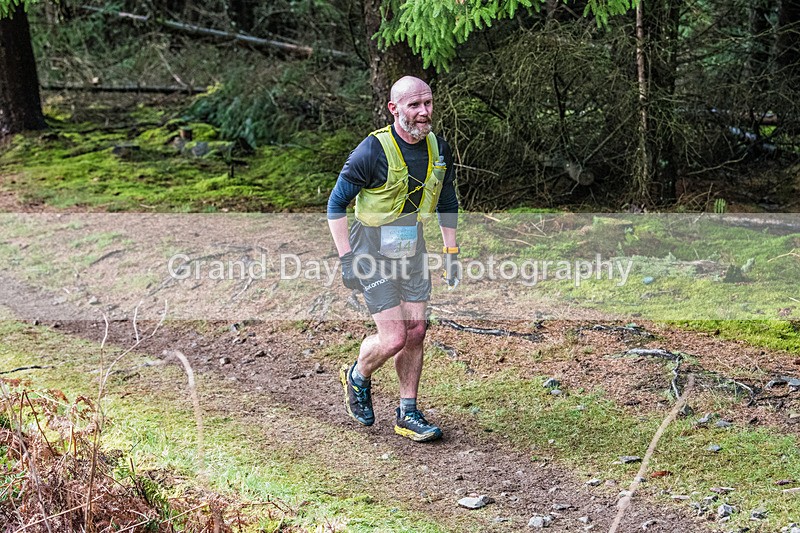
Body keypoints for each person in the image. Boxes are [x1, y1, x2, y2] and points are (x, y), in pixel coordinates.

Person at [326, 76, 460, 442]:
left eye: (428, 103)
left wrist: (451, 251)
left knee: (417, 330)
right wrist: (346, 258)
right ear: (394, 108)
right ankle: (357, 375)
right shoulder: (372, 152)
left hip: (411, 246)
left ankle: (408, 412)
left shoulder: (438, 147)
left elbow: (447, 201)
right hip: (370, 249)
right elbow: (336, 205)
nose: (423, 112)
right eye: (414, 105)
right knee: (395, 336)